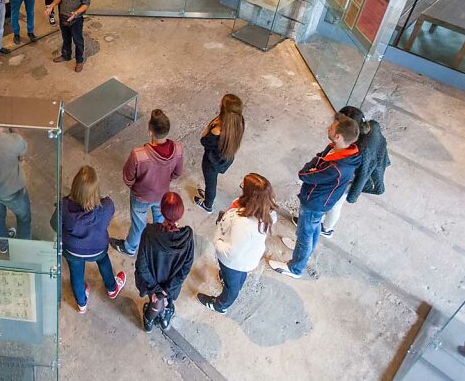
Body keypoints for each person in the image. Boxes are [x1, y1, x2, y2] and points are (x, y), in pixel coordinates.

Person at [270, 114, 360, 279]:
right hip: (320, 200)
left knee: (305, 234)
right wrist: (312, 167)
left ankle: (295, 268)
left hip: (315, 202)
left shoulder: (336, 167)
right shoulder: (340, 150)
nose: (328, 128)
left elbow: (304, 174)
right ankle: (304, 251)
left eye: (331, 128)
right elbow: (317, 158)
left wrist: (309, 170)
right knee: (313, 228)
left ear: (339, 136)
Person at [198, 173, 278, 314]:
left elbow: (232, 252)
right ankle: (227, 279)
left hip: (233, 261)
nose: (241, 186)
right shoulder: (265, 211)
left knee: (232, 287)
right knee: (238, 276)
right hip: (248, 256)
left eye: (243, 186)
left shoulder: (243, 223)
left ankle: (221, 305)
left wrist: (218, 243)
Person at [110, 109, 184, 256]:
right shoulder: (178, 150)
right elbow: (177, 173)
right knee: (160, 220)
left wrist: (138, 187)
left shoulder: (139, 154)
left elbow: (128, 177)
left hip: (140, 197)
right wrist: (164, 181)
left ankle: (130, 248)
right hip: (163, 195)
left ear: (150, 131)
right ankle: (157, 243)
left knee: (138, 225)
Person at [54, 166, 126, 313]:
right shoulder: (106, 206)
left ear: (74, 186)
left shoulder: (64, 206)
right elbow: (107, 221)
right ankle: (112, 288)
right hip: (98, 248)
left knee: (76, 274)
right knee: (104, 262)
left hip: (72, 250)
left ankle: (81, 303)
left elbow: (54, 224)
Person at [323, 106, 390, 237]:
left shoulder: (360, 151)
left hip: (351, 178)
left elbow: (362, 175)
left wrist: (352, 195)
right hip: (373, 167)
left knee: (336, 203)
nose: (332, 126)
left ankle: (326, 229)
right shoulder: (371, 126)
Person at [134, 192, 194, 332]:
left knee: (155, 302)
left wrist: (156, 289)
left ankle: (149, 321)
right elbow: (186, 268)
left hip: (151, 281)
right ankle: (164, 318)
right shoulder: (187, 237)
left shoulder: (149, 233)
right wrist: (166, 290)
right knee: (162, 301)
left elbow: (142, 265)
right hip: (171, 285)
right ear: (181, 212)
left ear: (161, 210)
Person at [194, 94, 245, 213]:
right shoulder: (239, 122)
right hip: (226, 158)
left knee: (210, 183)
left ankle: (207, 204)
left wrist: (210, 126)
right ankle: (208, 197)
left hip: (212, 161)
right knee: (212, 182)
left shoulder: (217, 130)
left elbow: (204, 140)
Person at [46, 0, 90, 72]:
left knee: (78, 40)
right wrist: (51, 5)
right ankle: (66, 55)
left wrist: (76, 13)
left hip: (76, 19)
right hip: (63, 17)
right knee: (66, 39)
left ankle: (79, 61)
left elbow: (86, 3)